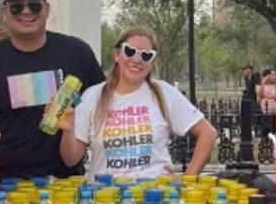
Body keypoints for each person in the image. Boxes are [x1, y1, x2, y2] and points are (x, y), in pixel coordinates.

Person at [0, 0, 105, 179]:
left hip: (67, 181)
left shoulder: (77, 53)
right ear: (4, 12)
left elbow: (102, 106)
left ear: (47, 9)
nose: (26, 12)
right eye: (16, 7)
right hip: (4, 184)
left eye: (34, 6)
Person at [60, 27, 217, 177]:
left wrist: (187, 179)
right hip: (106, 197)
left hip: (154, 198)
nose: (137, 59)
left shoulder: (164, 93)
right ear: (117, 54)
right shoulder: (92, 96)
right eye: (130, 51)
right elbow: (70, 160)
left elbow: (208, 133)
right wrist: (68, 130)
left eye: (146, 55)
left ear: (152, 61)